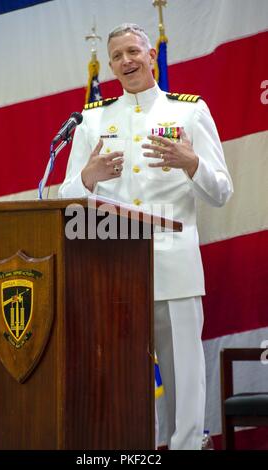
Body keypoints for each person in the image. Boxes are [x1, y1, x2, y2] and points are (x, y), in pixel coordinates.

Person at [58, 23, 233, 450]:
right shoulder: (93, 119)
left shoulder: (189, 112)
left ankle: (189, 445)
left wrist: (192, 163)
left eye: (133, 52)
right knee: (121, 381)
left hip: (174, 266)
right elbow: (64, 198)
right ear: (111, 64)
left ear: (151, 54)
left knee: (184, 378)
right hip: (114, 271)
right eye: (117, 56)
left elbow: (221, 192)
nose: (125, 61)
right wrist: (87, 177)